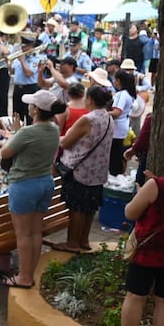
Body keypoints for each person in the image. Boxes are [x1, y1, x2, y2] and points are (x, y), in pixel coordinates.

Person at [109, 141, 164, 326]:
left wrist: (143, 192)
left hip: (148, 252)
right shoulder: (158, 185)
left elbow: (130, 212)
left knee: (136, 296)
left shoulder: (156, 185)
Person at [0, 90, 65, 288]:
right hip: (45, 182)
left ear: (35, 110)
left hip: (25, 185)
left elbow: (5, 151)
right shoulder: (54, 128)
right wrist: (19, 133)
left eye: (31, 104)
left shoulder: (28, 132)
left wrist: (15, 133)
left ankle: (24, 277)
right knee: (36, 231)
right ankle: (29, 272)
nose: (28, 106)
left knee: (23, 234)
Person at [54, 86, 114, 253]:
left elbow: (66, 142)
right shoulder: (109, 118)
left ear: (90, 100)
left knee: (77, 208)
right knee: (90, 207)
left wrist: (54, 138)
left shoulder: (88, 119)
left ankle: (72, 243)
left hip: (81, 170)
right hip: (99, 171)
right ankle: (84, 240)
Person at [10, 34, 40, 125]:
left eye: (26, 46)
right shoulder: (19, 57)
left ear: (31, 47)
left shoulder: (36, 58)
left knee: (29, 115)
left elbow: (29, 73)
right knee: (16, 115)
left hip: (30, 88)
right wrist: (9, 63)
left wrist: (22, 61)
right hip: (17, 89)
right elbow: (12, 71)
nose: (23, 48)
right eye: (22, 46)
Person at [109, 70, 135, 175]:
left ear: (118, 81)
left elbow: (116, 112)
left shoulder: (121, 94)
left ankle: (114, 175)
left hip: (116, 128)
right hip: (123, 127)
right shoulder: (130, 94)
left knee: (113, 156)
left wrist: (102, 113)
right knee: (118, 154)